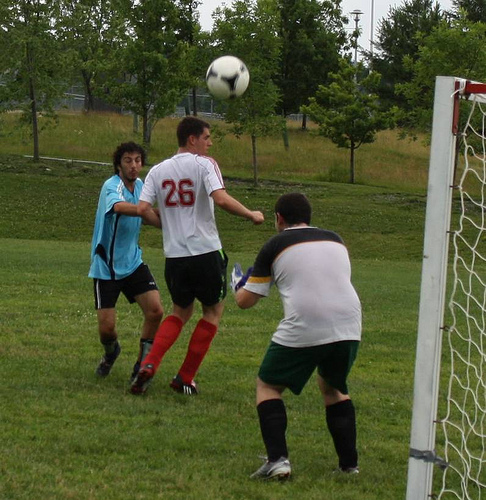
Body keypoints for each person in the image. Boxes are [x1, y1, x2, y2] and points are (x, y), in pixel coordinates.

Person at [130, 116, 264, 396]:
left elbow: (142, 210)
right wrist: (251, 214)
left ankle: (150, 363)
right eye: (206, 137)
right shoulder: (205, 164)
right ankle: (185, 377)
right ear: (192, 139)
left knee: (180, 311)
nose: (210, 143)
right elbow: (221, 198)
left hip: (175, 256)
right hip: (205, 252)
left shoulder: (157, 170)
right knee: (212, 312)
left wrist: (168, 225)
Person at [232, 192, 361, 480]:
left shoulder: (275, 244)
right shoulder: (336, 239)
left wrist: (239, 283)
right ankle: (349, 466)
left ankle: (278, 460)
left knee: (268, 386)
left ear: (279, 218)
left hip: (308, 320)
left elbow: (244, 301)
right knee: (333, 387)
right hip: (349, 323)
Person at [89, 142, 164, 381]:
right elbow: (120, 207)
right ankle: (111, 353)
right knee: (107, 330)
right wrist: (145, 210)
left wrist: (174, 221)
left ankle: (142, 365)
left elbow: (149, 215)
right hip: (106, 266)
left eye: (137, 160)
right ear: (118, 164)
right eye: (128, 160)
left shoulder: (141, 186)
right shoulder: (111, 186)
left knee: (155, 311)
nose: (133, 165)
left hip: (133, 263)